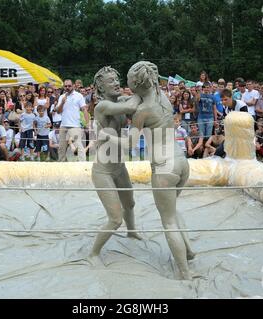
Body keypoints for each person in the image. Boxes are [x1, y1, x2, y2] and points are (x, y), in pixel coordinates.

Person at [100, 61, 196, 280]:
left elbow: (129, 145)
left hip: (164, 168)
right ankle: (189, 251)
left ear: (135, 84)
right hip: (182, 162)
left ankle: (184, 273)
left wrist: (106, 136)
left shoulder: (142, 111)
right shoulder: (163, 97)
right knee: (172, 211)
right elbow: (136, 99)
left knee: (168, 221)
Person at [88, 66, 142, 262]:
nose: (117, 83)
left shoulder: (119, 100)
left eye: (117, 79)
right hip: (103, 171)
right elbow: (131, 106)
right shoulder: (102, 106)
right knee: (115, 219)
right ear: (101, 88)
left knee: (130, 203)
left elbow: (136, 103)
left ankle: (132, 232)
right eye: (111, 81)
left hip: (119, 167)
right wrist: (141, 86)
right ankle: (93, 254)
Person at [56, 79, 88, 162]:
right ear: (64, 87)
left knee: (78, 146)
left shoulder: (79, 96)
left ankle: (83, 165)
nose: (67, 87)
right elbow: (58, 111)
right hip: (63, 125)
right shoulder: (61, 97)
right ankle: (62, 166)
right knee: (61, 148)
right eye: (66, 86)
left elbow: (84, 110)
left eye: (69, 86)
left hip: (75, 126)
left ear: (73, 86)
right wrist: (62, 102)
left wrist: (87, 123)